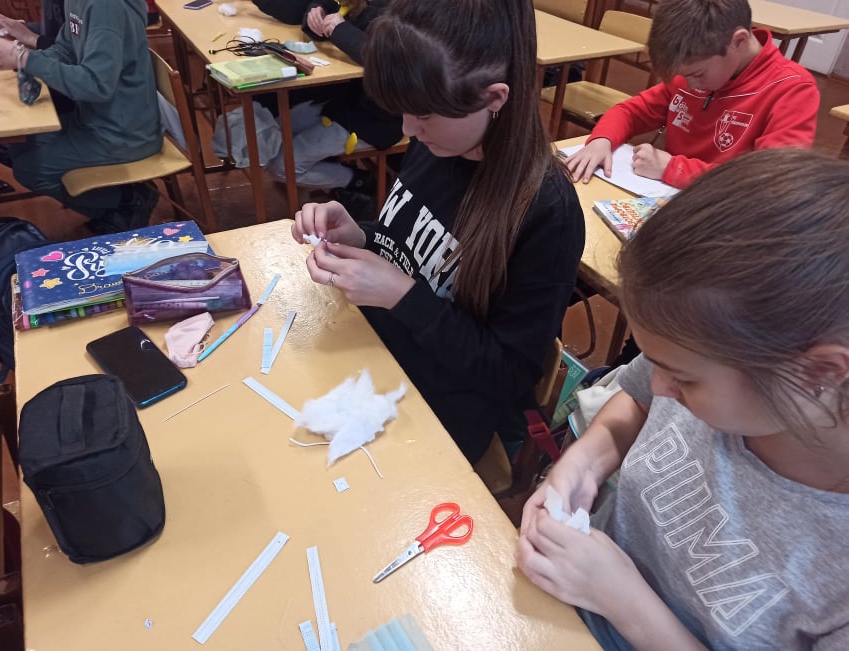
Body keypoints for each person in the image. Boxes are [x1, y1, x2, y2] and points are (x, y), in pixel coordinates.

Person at [516, 148, 849, 650]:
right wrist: (585, 463)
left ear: (817, 372)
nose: (659, 387)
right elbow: (636, 401)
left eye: (685, 381)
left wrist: (623, 601)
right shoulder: (699, 356)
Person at [290, 0, 585, 463]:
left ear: (494, 99)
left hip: (440, 412)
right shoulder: (440, 143)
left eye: (423, 115)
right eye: (404, 112)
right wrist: (362, 237)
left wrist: (401, 296)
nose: (408, 128)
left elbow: (508, 374)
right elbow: (410, 248)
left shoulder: (546, 211)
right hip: (378, 360)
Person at [566, 0, 819, 189]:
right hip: (669, 197)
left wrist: (673, 169)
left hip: (723, 216)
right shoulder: (694, 69)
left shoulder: (792, 90)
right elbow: (630, 112)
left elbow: (770, 184)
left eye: (697, 74)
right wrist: (602, 140)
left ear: (739, 42)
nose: (687, 84)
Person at [0, 0, 161, 234]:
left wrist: (23, 58)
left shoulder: (105, 8)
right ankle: (115, 205)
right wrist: (18, 48)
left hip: (124, 134)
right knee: (17, 148)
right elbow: (65, 49)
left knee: (30, 170)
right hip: (96, 119)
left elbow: (97, 85)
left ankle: (129, 200)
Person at [265, 0, 401, 205]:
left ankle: (357, 182)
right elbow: (331, 5)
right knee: (275, 133)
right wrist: (317, 12)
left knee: (282, 166)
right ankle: (337, 178)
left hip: (377, 119)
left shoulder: (403, 12)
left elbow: (384, 58)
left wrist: (339, 29)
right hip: (342, 101)